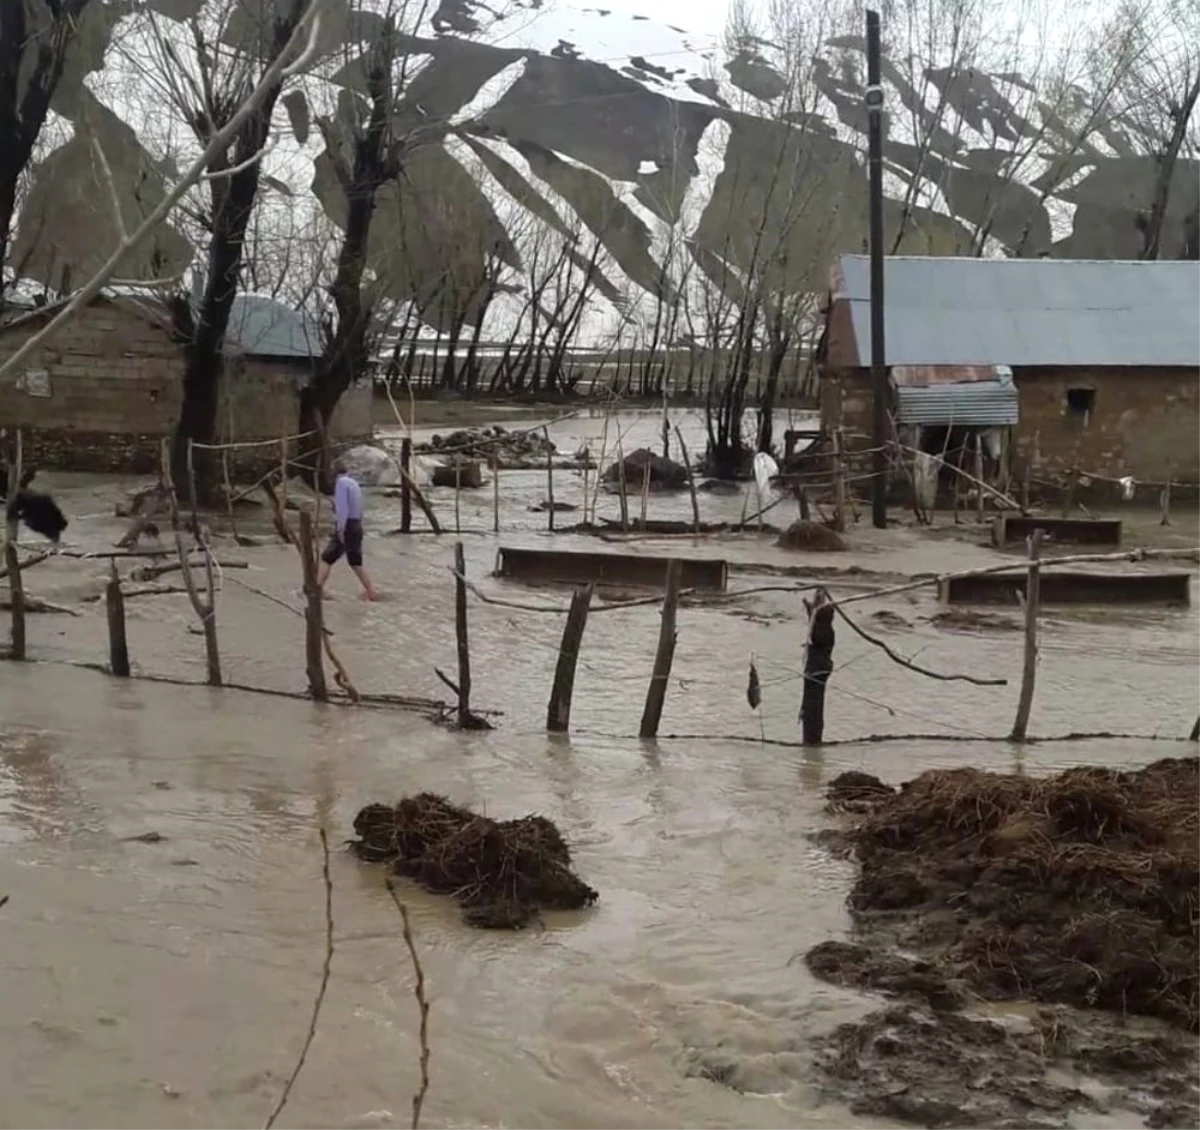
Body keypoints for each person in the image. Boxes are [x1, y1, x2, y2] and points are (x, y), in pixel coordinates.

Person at [316, 458, 378, 601]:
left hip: (347, 525)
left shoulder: (341, 484)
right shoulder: (353, 483)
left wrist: (340, 529)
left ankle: (318, 588)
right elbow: (360, 508)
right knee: (355, 561)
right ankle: (371, 590)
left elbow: (342, 509)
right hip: (356, 524)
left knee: (327, 557)